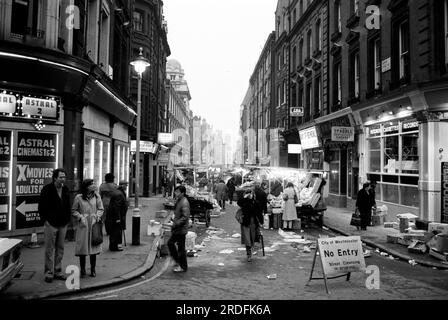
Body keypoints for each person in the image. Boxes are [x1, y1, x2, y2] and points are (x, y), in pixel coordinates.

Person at [38, 168, 71, 283]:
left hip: (63, 224)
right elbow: (41, 207)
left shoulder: (66, 189)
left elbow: (68, 205)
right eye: (61, 177)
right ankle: (48, 273)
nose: (63, 179)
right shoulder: (47, 189)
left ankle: (57, 271)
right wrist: (45, 221)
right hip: (50, 224)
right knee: (49, 249)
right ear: (55, 178)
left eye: (64, 177)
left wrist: (67, 220)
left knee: (60, 249)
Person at [72, 179, 104, 277]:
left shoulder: (97, 196)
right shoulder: (79, 197)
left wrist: (97, 216)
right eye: (92, 184)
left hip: (93, 224)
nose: (94, 185)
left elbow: (101, 208)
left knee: (93, 248)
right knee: (83, 249)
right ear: (86, 186)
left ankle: (93, 270)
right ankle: (82, 270)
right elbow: (73, 210)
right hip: (83, 225)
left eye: (94, 183)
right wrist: (80, 217)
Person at [168, 185, 190, 273]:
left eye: (177, 192)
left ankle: (182, 265)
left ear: (182, 193)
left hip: (180, 229)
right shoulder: (180, 200)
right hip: (178, 228)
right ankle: (178, 262)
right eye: (175, 191)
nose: (175, 193)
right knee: (173, 244)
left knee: (179, 247)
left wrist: (176, 224)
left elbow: (185, 217)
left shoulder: (184, 202)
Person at [237, 190, 263, 262]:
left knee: (252, 238)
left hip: (253, 222)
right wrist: (245, 198)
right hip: (246, 222)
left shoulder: (255, 202)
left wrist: (261, 222)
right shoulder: (244, 202)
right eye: (247, 194)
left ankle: (250, 251)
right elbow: (239, 202)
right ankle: (249, 254)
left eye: (250, 194)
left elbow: (258, 212)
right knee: (247, 239)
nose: (249, 195)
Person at [106, 180, 129, 251]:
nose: (127, 187)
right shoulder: (119, 194)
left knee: (116, 231)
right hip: (116, 217)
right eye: (126, 185)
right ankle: (114, 246)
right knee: (116, 231)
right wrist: (118, 218)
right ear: (122, 185)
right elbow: (116, 207)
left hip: (116, 216)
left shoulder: (119, 192)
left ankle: (114, 246)